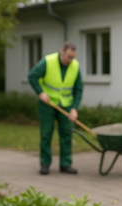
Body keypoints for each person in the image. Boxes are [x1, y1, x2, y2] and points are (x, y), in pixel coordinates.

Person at [28, 41, 83, 175]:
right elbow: (32, 76)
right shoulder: (48, 61)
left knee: (66, 134)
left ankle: (65, 164)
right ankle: (45, 164)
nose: (70, 60)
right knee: (46, 134)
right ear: (62, 51)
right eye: (68, 57)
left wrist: (74, 108)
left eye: (73, 57)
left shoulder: (75, 66)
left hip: (66, 104)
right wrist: (40, 92)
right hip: (48, 104)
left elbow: (78, 88)